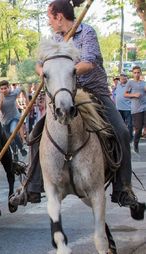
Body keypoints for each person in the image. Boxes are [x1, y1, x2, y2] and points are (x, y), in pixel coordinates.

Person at [10, 0, 143, 212]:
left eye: (50, 17)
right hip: (64, 96)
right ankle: (31, 186)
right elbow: (39, 62)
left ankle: (123, 188)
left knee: (122, 132)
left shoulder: (87, 32)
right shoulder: (54, 39)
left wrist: (64, 70)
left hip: (94, 94)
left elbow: (89, 62)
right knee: (36, 133)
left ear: (59, 17)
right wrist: (43, 71)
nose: (49, 21)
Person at [0, 80, 28, 160]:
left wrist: (27, 99)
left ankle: (21, 148)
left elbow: (22, 88)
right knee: (9, 140)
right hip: (4, 121)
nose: (3, 90)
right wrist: (1, 101)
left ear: (9, 87)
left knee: (13, 132)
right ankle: (15, 152)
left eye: (5, 88)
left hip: (15, 117)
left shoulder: (14, 93)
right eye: (1, 89)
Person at [124, 66, 146, 153]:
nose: (136, 74)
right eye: (135, 73)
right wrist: (134, 95)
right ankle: (135, 144)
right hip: (136, 109)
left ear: (140, 73)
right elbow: (125, 94)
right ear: (133, 73)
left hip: (145, 107)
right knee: (138, 128)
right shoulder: (130, 83)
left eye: (138, 72)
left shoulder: (144, 83)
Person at [114, 73, 133, 142]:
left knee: (130, 125)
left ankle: (130, 138)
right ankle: (121, 137)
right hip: (119, 108)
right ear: (120, 79)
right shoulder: (118, 85)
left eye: (124, 78)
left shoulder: (130, 85)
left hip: (128, 108)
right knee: (120, 124)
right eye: (121, 78)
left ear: (127, 78)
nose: (123, 79)